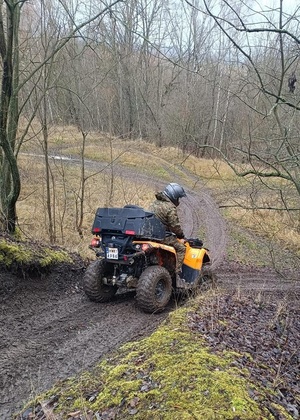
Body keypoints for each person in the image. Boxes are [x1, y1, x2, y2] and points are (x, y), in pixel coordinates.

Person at [149, 182, 187, 275]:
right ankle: (177, 273)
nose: (178, 200)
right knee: (181, 248)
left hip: (150, 234)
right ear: (174, 196)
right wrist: (181, 235)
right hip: (162, 237)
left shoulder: (155, 203)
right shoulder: (170, 208)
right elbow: (175, 226)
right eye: (178, 198)